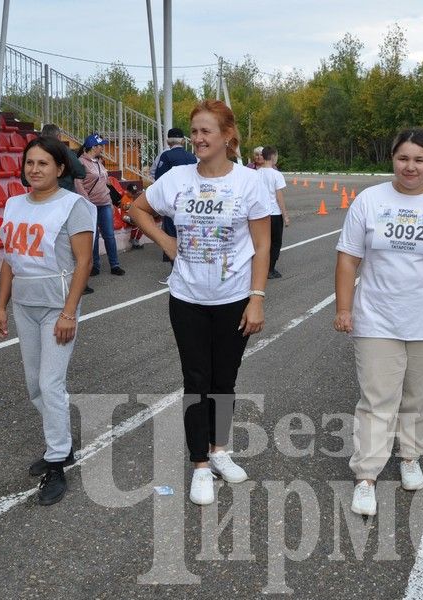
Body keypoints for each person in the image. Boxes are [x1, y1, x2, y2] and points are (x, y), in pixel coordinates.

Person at [129, 99, 271, 506]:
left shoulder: (249, 183)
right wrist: (166, 241)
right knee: (196, 381)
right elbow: (138, 208)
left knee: (224, 380)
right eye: (194, 132)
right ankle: (200, 467)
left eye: (206, 131)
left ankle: (220, 450)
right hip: (187, 297)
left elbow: (262, 246)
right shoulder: (176, 178)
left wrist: (256, 298)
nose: (198, 139)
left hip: (234, 298)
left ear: (228, 135)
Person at [334, 128, 423, 517]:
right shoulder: (369, 201)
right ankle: (366, 476)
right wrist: (344, 309)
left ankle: (410, 456)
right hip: (377, 317)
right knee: (378, 398)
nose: (410, 167)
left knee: (417, 396)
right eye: (403, 158)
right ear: (392, 159)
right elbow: (348, 258)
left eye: (419, 159)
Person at [0, 135, 96, 506]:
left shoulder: (74, 206)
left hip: (58, 306)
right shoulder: (13, 204)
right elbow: (10, 258)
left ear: (61, 168)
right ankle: (62, 445)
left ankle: (56, 461)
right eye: (30, 163)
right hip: (25, 303)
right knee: (34, 385)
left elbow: (83, 263)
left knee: (50, 382)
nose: (34, 169)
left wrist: (70, 312)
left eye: (43, 163)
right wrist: (1, 305)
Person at [76, 133, 124, 277]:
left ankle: (115, 265)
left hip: (104, 203)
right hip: (91, 205)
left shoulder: (99, 162)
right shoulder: (81, 162)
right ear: (93, 147)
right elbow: (78, 184)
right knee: (94, 237)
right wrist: (87, 202)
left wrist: (110, 201)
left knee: (109, 235)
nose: (102, 148)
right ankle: (95, 266)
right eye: (100, 145)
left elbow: (105, 183)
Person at [151, 127, 198, 267]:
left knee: (172, 234)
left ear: (167, 141)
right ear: (183, 141)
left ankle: (175, 268)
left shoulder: (165, 156)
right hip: (190, 201)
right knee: (189, 234)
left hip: (172, 201)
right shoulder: (192, 156)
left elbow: (159, 177)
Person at [257, 146, 289, 279]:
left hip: (260, 214)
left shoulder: (256, 173)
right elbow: (279, 196)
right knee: (275, 242)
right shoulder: (276, 174)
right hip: (274, 213)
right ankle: (270, 269)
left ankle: (259, 268)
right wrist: (285, 215)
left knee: (262, 242)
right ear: (273, 157)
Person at [25, 124, 86, 192]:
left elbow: (25, 180)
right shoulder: (65, 151)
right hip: (64, 195)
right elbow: (81, 173)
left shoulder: (33, 151)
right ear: (59, 137)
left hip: (42, 197)